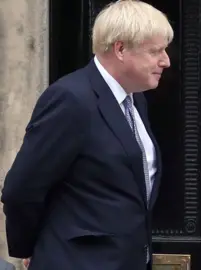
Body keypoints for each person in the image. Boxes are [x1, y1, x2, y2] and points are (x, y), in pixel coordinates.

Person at [1, 1, 172, 269]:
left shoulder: (135, 100)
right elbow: (21, 188)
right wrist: (33, 247)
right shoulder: (71, 99)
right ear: (120, 49)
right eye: (155, 51)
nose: (166, 60)